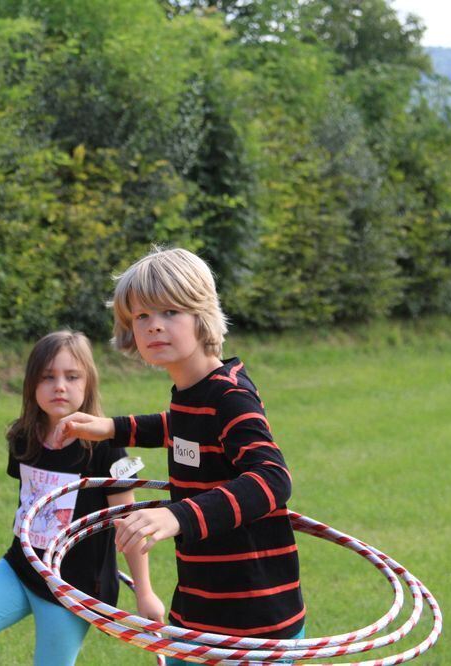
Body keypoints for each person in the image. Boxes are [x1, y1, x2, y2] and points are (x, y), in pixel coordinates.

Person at [53, 248, 305, 665]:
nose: (154, 327)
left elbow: (272, 479)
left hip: (255, 616)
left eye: (170, 312)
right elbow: (180, 428)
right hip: (200, 603)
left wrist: (177, 516)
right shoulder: (193, 394)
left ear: (201, 314)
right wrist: (113, 428)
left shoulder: (230, 394)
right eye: (141, 317)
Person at [0, 330, 164, 666]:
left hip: (72, 588)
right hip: (22, 567)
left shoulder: (107, 447)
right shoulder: (22, 437)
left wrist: (145, 593)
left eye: (71, 376)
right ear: (32, 384)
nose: (59, 386)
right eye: (48, 377)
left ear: (88, 384)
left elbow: (129, 522)